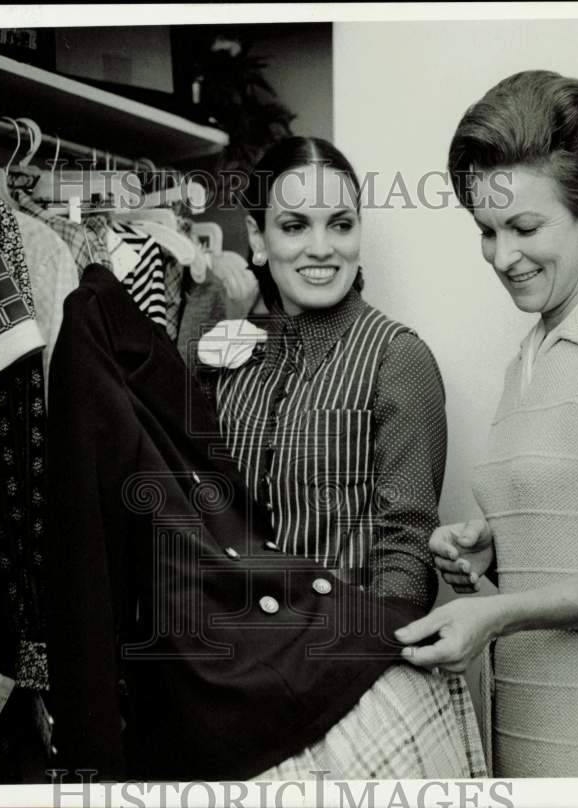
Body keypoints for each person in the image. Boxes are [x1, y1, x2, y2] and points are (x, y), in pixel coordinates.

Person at [396, 70, 578, 777]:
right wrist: (489, 552)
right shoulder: (529, 356)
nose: (504, 257)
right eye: (487, 232)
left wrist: (498, 614)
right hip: (533, 720)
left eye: (526, 227)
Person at [197, 136, 485, 779]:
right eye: (295, 225)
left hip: (356, 693)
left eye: (341, 224)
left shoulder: (397, 357)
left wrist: (353, 674)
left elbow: (406, 554)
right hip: (239, 692)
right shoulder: (229, 356)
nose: (322, 248)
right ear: (259, 238)